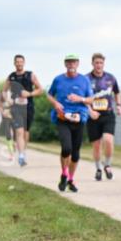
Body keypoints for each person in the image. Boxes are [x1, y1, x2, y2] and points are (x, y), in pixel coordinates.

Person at [46, 53, 94, 192]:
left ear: (78, 64)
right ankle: (64, 174)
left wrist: (80, 99)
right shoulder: (58, 79)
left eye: (74, 62)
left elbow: (91, 99)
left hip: (79, 119)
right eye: (69, 62)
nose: (71, 65)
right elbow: (49, 94)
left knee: (76, 153)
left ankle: (70, 179)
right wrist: (55, 103)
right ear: (65, 64)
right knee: (66, 148)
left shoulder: (84, 80)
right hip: (62, 118)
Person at [86, 53, 121, 181]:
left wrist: (118, 105)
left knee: (108, 140)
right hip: (93, 116)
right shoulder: (86, 79)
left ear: (103, 64)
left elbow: (117, 92)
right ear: (92, 64)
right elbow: (82, 98)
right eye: (96, 63)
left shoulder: (111, 78)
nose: (99, 65)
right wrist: (89, 110)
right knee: (96, 145)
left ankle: (107, 164)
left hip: (108, 114)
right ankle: (98, 169)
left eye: (101, 63)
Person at [4, 54, 43, 166]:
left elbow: (40, 90)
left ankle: (23, 151)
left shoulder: (30, 75)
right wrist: (8, 100)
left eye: (21, 62)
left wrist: (30, 93)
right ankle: (21, 156)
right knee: (19, 131)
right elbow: (4, 90)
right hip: (15, 107)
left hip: (28, 107)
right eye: (17, 62)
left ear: (24, 63)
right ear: (14, 63)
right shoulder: (11, 76)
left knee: (26, 132)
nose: (19, 64)